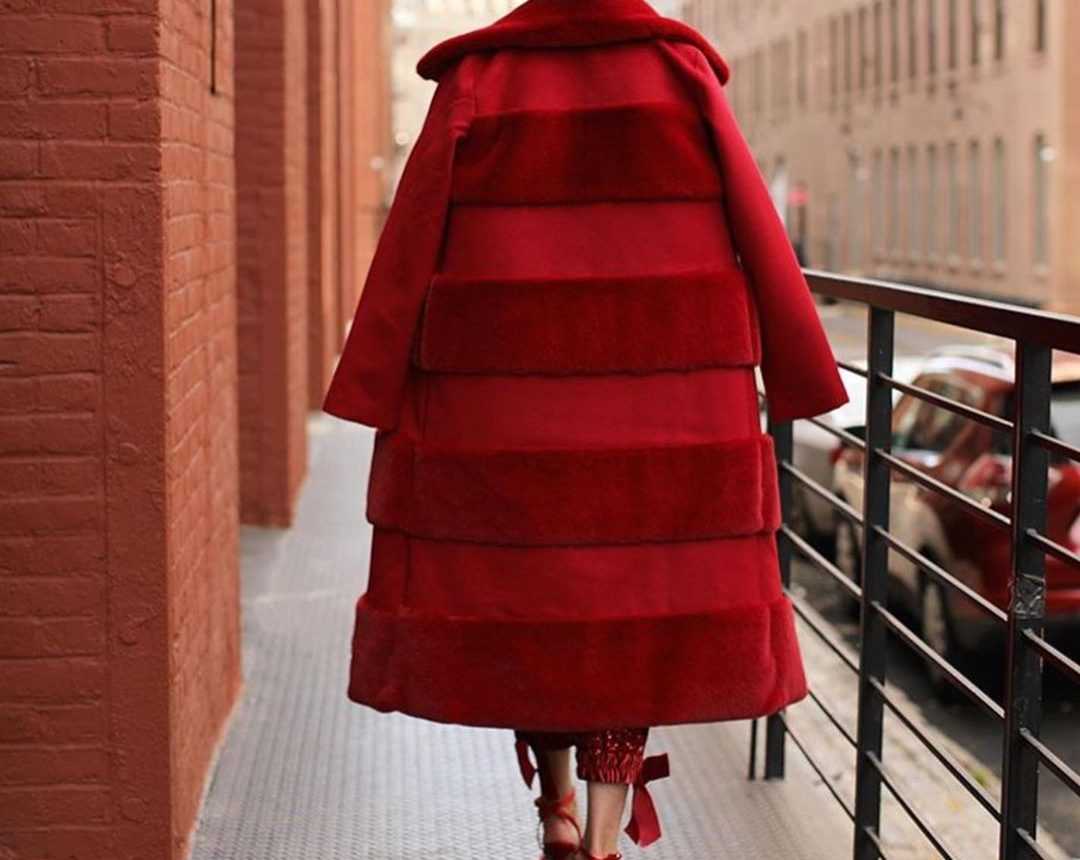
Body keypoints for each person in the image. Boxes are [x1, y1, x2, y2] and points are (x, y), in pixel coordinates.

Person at [321, 1, 850, 858]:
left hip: (509, 403)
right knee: (631, 619)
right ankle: (603, 838)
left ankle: (558, 807)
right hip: (664, 404)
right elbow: (757, 223)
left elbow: (412, 235)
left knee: (535, 604)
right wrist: (799, 365)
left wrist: (376, 375)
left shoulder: (479, 77)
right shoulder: (678, 70)